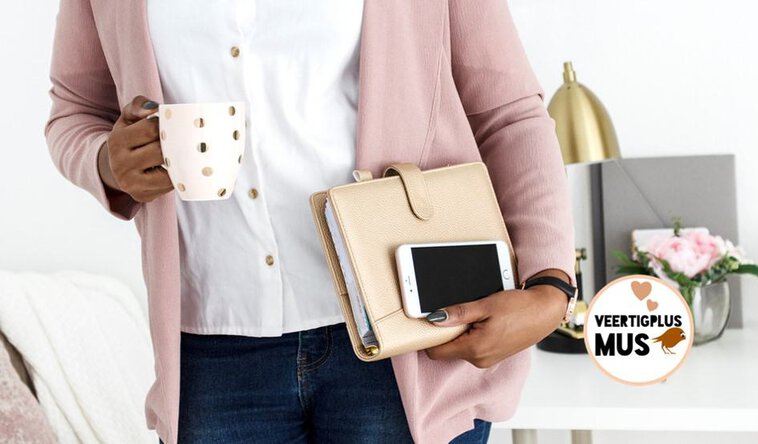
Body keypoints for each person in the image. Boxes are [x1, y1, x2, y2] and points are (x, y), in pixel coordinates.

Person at [45, 1, 576, 443]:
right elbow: (75, 109)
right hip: (213, 349)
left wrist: (550, 283)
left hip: (406, 336)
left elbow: (506, 113)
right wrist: (106, 162)